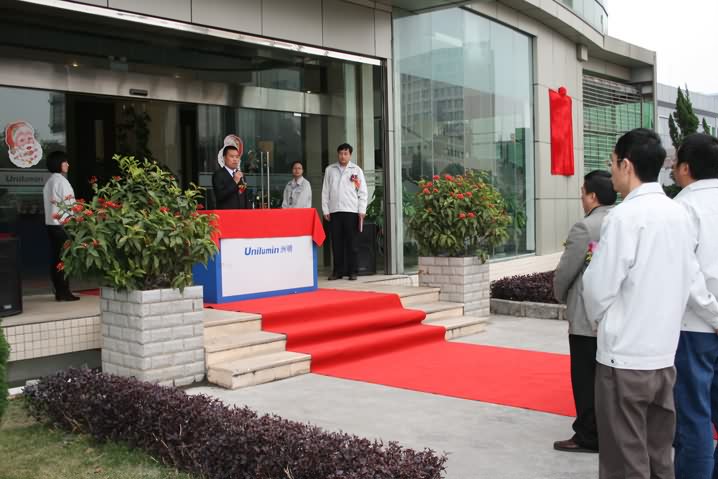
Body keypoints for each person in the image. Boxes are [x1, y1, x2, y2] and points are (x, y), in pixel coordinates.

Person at [582, 128, 718, 479]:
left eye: (612, 163)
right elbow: (692, 279)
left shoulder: (624, 217)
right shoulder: (677, 213)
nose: (611, 170)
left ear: (626, 165)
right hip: (664, 355)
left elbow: (597, 289)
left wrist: (600, 321)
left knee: (624, 461)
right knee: (659, 457)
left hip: (624, 355)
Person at [552, 170, 616, 454]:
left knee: (584, 378)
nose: (581, 198)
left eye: (582, 193)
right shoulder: (621, 220)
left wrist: (558, 294)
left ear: (592, 196)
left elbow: (566, 270)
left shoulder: (586, 227)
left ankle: (588, 435)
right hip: (614, 314)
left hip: (585, 316)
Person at [671, 133, 718, 479]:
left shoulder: (683, 208)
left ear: (686, 168)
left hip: (695, 326)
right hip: (704, 321)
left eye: (675, 162)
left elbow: (686, 274)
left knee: (693, 417)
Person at [321, 143, 368, 281]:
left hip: (351, 210)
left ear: (350, 155)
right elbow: (325, 191)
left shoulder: (356, 170)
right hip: (335, 211)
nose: (343, 156)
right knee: (336, 243)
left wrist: (362, 210)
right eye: (341, 153)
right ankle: (337, 271)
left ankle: (353, 271)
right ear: (338, 154)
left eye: (346, 153)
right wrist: (325, 209)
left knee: (352, 243)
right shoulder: (330, 169)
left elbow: (363, 192)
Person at [42, 151, 79, 301]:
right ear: (58, 164)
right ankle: (64, 292)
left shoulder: (50, 181)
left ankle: (59, 291)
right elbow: (70, 204)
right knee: (64, 259)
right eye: (65, 162)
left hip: (51, 225)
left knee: (56, 258)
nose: (68, 164)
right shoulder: (61, 182)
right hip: (62, 225)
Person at [212, 145, 249, 210]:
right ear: (224, 158)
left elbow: (244, 196)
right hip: (226, 213)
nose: (235, 159)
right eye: (232, 156)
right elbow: (220, 196)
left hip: (242, 213)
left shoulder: (241, 174)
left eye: (237, 157)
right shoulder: (218, 175)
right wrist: (234, 181)